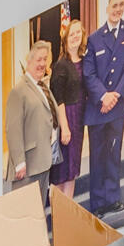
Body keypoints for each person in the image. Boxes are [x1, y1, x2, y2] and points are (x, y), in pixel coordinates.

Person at [77, 0, 124, 215]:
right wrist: (104, 95)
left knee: (114, 153)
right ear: (107, 7)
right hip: (97, 108)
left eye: (122, 5)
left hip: (117, 106)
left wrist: (116, 95)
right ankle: (97, 204)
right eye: (115, 5)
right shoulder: (94, 38)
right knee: (97, 156)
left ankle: (112, 198)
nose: (118, 9)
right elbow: (88, 73)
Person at [4, 36, 59, 189]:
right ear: (29, 61)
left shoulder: (43, 87)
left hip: (43, 160)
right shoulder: (18, 91)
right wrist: (20, 162)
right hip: (27, 165)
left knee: (39, 210)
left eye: (45, 59)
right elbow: (12, 129)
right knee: (25, 211)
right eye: (39, 60)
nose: (42, 64)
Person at [49, 14, 89, 193]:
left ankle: (68, 209)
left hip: (79, 119)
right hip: (67, 118)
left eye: (78, 33)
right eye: (71, 33)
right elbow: (58, 99)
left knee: (72, 169)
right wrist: (65, 127)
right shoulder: (61, 65)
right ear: (65, 38)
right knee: (61, 171)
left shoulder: (85, 61)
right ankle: (59, 213)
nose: (75, 36)